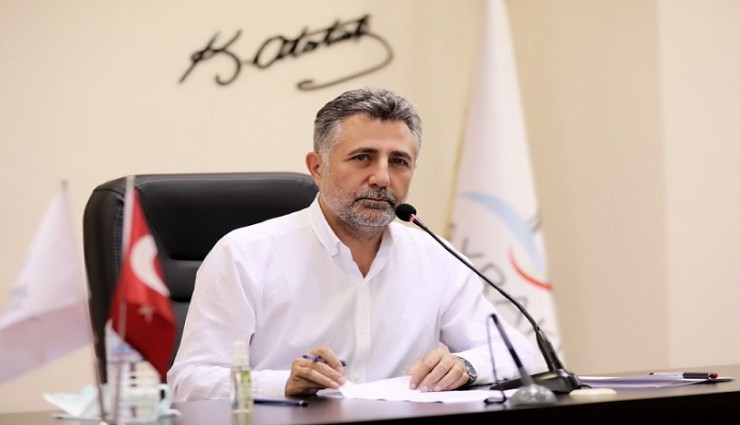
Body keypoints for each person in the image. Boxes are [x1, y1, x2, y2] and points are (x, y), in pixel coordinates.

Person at [167, 87, 537, 401]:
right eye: (363, 158)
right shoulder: (244, 254)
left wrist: (466, 365)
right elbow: (189, 381)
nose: (382, 177)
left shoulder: (435, 256)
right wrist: (283, 384)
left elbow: (520, 352)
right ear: (317, 167)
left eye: (399, 161)